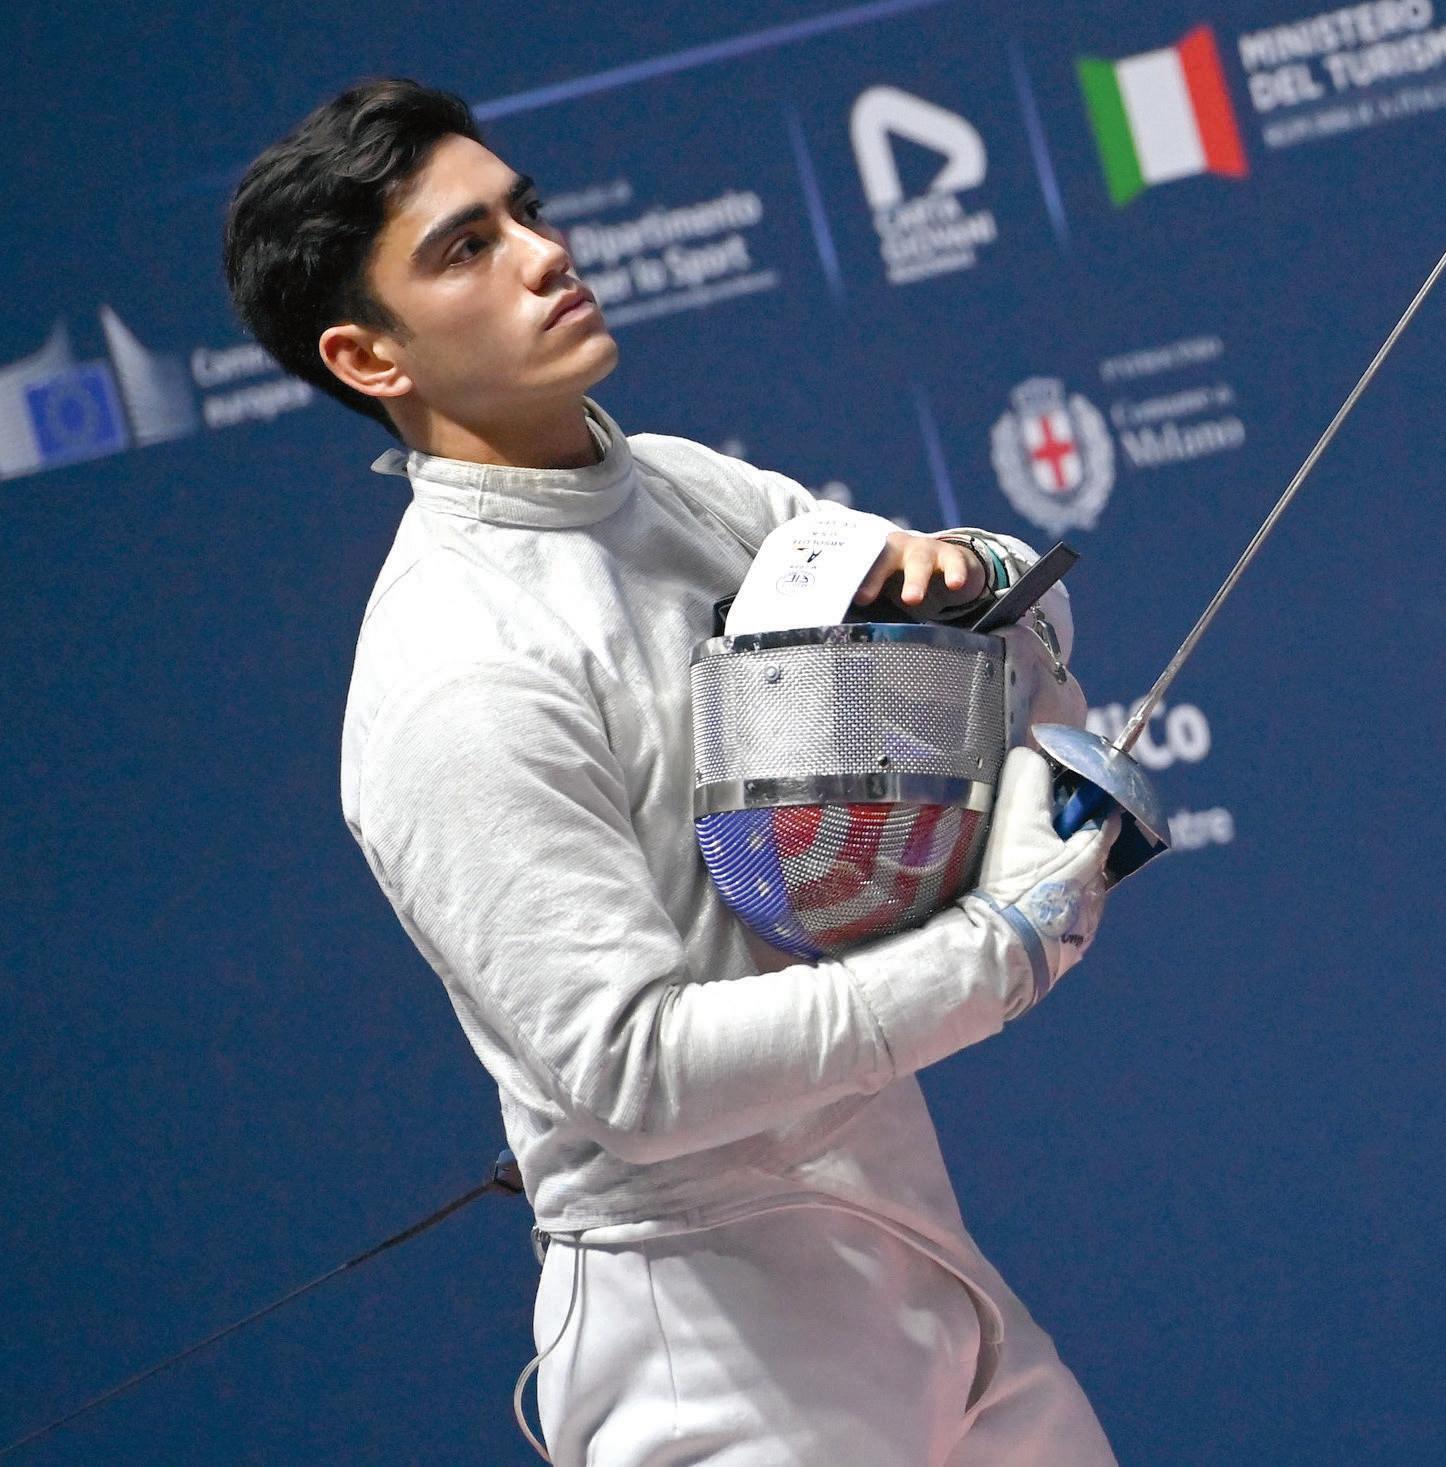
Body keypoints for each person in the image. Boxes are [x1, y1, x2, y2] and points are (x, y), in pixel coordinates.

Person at [224, 77, 1123, 1466]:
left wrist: (978, 585)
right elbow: (632, 1074)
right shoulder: (458, 670)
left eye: (526, 212)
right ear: (368, 357)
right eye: (467, 249)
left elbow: (1004, 678)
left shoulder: (685, 485)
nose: (545, 254)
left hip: (921, 1272)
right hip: (716, 1363)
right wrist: (995, 952)